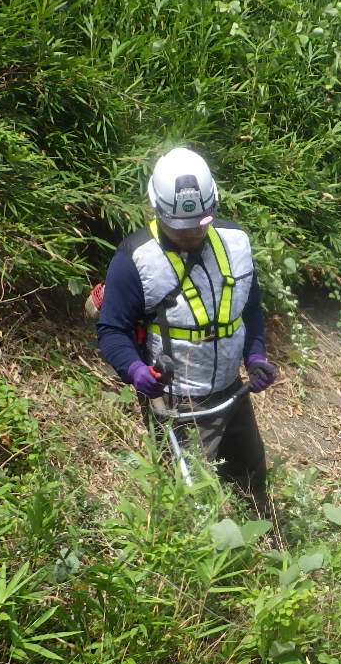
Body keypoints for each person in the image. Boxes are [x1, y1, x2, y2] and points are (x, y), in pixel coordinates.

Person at [94, 146, 277, 508]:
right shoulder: (135, 259)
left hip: (232, 392)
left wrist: (255, 356)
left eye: (200, 223)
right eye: (181, 227)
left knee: (251, 477)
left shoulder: (236, 244)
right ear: (157, 210)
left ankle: (264, 543)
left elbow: (250, 309)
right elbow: (112, 330)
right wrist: (133, 369)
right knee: (190, 501)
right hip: (179, 401)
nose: (192, 232)